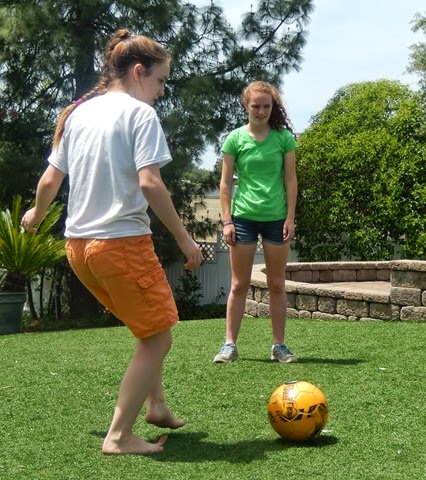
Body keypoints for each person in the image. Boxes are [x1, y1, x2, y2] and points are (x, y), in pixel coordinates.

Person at [21, 29, 203, 455]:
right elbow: (150, 183)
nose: (161, 91)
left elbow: (50, 179)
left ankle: (156, 405)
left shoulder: (78, 114)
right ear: (139, 72)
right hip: (121, 245)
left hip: (78, 248)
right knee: (158, 338)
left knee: (146, 327)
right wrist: (184, 238)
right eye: (160, 80)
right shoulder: (141, 115)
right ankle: (119, 436)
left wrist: (36, 213)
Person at [213, 81, 298, 364]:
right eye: (256, 106)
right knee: (239, 285)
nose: (261, 111)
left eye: (266, 106)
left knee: (276, 284)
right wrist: (227, 221)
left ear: (273, 107)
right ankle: (229, 345)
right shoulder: (235, 139)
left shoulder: (284, 138)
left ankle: (279, 346)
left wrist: (290, 218)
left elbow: (290, 180)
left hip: (276, 219)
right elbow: (225, 184)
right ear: (245, 106)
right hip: (243, 219)